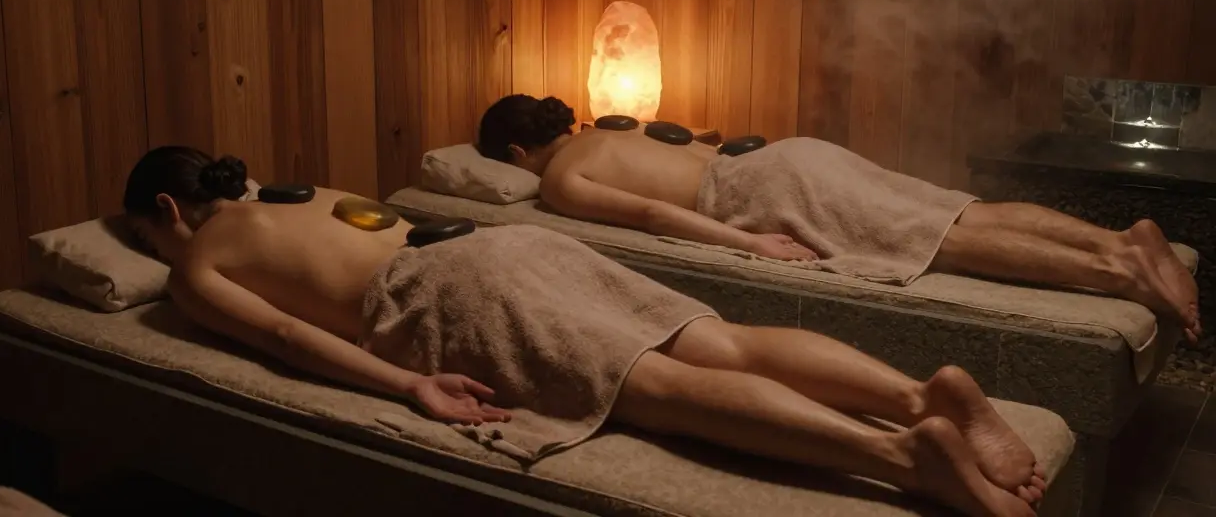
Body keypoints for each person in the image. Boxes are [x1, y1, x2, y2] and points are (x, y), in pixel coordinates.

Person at [124, 145, 1045, 517]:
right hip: (513, 244)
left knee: (661, 394)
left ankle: (897, 459)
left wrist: (412, 384)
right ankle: (919, 396)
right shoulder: (298, 189)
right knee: (721, 339)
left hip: (453, 287)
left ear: (168, 208)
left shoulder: (197, 264)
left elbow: (287, 340)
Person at [476, 94, 1201, 343]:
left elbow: (649, 215)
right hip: (791, 157)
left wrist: (747, 242)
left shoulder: (563, 177)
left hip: (769, 194)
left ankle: (1118, 272)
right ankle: (1120, 240)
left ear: (516, 151)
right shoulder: (614, 124)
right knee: (956, 211)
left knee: (943, 244)